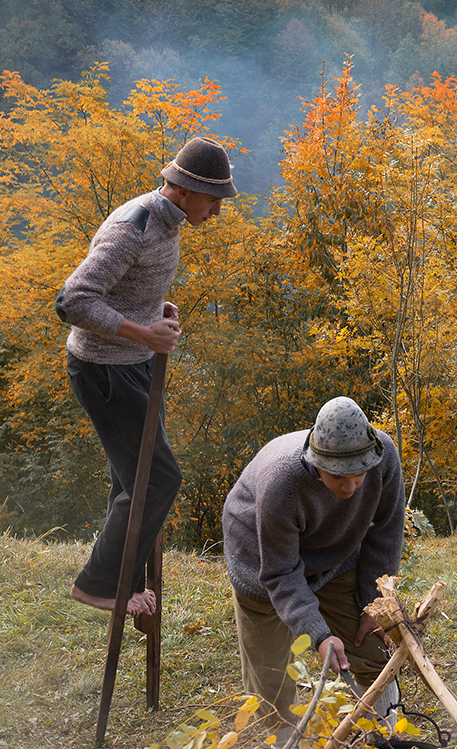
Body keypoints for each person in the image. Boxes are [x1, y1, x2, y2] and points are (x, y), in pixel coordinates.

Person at [57, 135, 237, 623]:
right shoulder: (133, 226)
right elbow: (72, 301)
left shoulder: (169, 221)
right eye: (214, 200)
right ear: (183, 190)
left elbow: (127, 287)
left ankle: (126, 584)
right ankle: (96, 585)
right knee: (158, 478)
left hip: (134, 365)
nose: (217, 211)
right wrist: (142, 331)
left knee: (133, 482)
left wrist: (154, 312)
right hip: (104, 371)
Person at [222, 396, 406, 717]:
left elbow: (386, 531)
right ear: (317, 462)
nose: (350, 487)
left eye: (359, 474)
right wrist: (319, 635)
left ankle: (388, 737)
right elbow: (280, 573)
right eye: (338, 477)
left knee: (371, 647)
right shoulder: (281, 483)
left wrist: (373, 602)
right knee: (271, 676)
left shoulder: (383, 455)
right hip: (258, 554)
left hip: (333, 552)